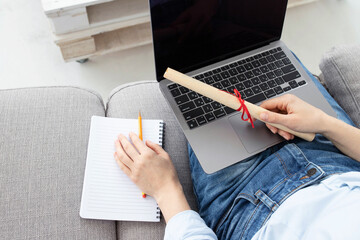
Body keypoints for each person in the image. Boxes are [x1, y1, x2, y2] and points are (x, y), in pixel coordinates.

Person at [113, 61, 360, 239]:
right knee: (260, 52)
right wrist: (324, 123)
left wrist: (165, 189)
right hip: (337, 155)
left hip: (245, 201)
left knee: (192, 62)